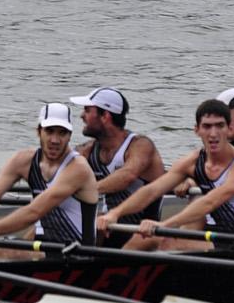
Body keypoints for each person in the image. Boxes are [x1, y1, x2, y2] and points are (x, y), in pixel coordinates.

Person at [99, 98, 234, 252]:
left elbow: (210, 202)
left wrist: (165, 225)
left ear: (229, 129)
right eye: (207, 126)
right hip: (212, 236)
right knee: (141, 239)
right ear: (197, 130)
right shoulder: (193, 161)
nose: (213, 134)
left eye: (219, 126)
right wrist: (115, 213)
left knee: (166, 243)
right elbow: (152, 190)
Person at [0, 102, 100, 262]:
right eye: (49, 131)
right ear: (39, 131)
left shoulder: (77, 168)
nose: (55, 140)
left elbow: (34, 212)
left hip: (75, 254)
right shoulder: (24, 160)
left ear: (70, 136)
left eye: (62, 133)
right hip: (42, 247)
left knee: (4, 254)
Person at [70, 86, 164, 228]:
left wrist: (85, 190)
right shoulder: (88, 150)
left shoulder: (140, 146)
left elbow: (127, 176)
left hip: (143, 232)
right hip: (108, 225)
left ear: (105, 116)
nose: (82, 115)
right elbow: (61, 170)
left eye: (87, 110)